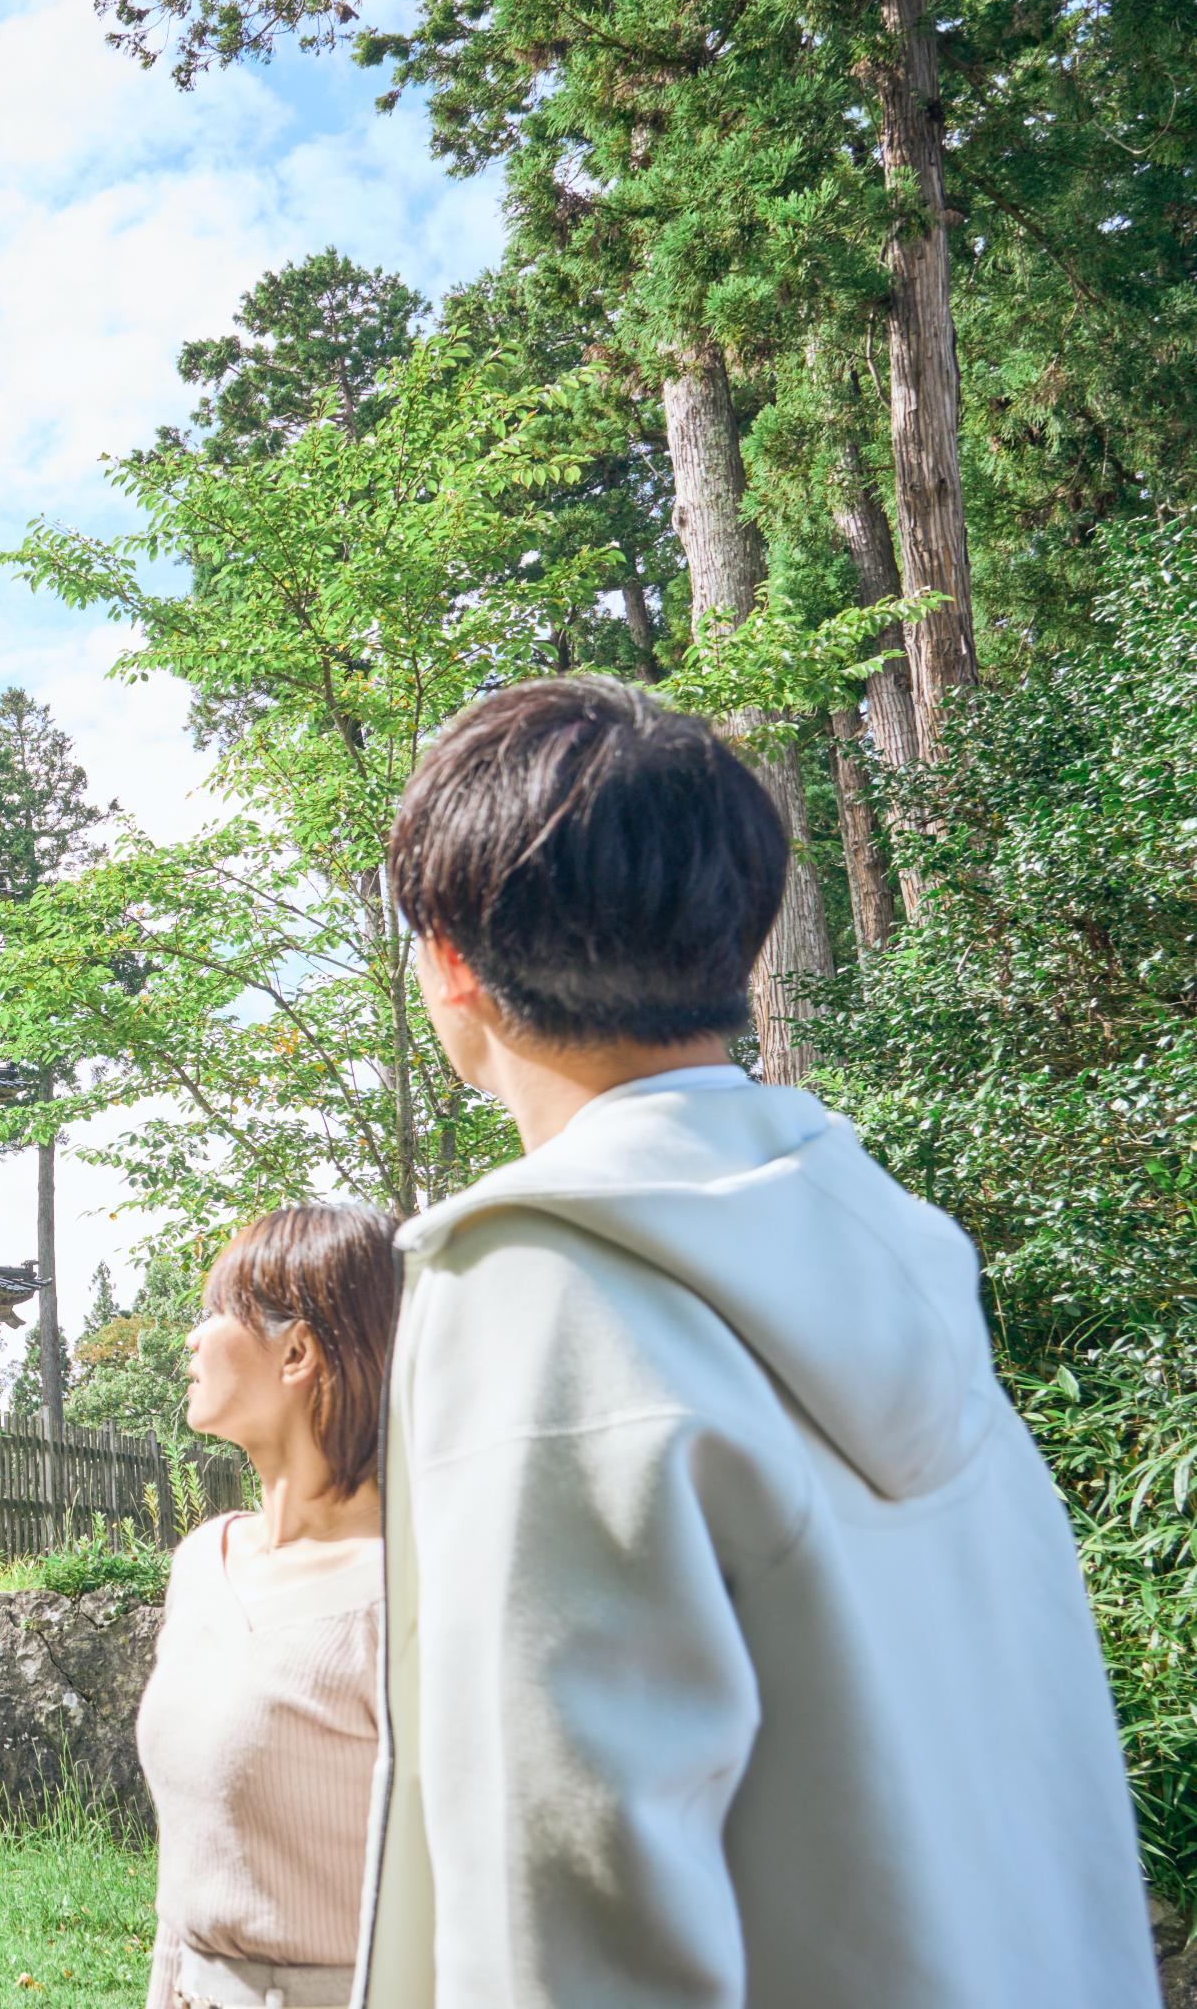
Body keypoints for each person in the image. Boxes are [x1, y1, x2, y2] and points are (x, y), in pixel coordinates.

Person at [356, 672, 1153, 2007]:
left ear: (449, 959)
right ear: (743, 931)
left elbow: (566, 1897)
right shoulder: (892, 1245)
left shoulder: (540, 1281)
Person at [140, 1202, 399, 2009]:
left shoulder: (406, 1593)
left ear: (297, 1352)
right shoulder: (201, 1561)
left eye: (218, 1311)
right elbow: (185, 1879)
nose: (191, 1337)